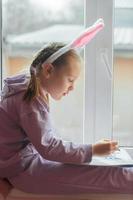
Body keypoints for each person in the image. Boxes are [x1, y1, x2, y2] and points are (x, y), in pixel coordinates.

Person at [0, 19, 133, 195]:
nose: (72, 87)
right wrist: (92, 150)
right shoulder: (29, 99)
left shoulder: (27, 85)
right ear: (48, 71)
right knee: (108, 175)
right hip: (23, 171)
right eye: (70, 80)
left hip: (22, 163)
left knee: (107, 169)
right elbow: (49, 148)